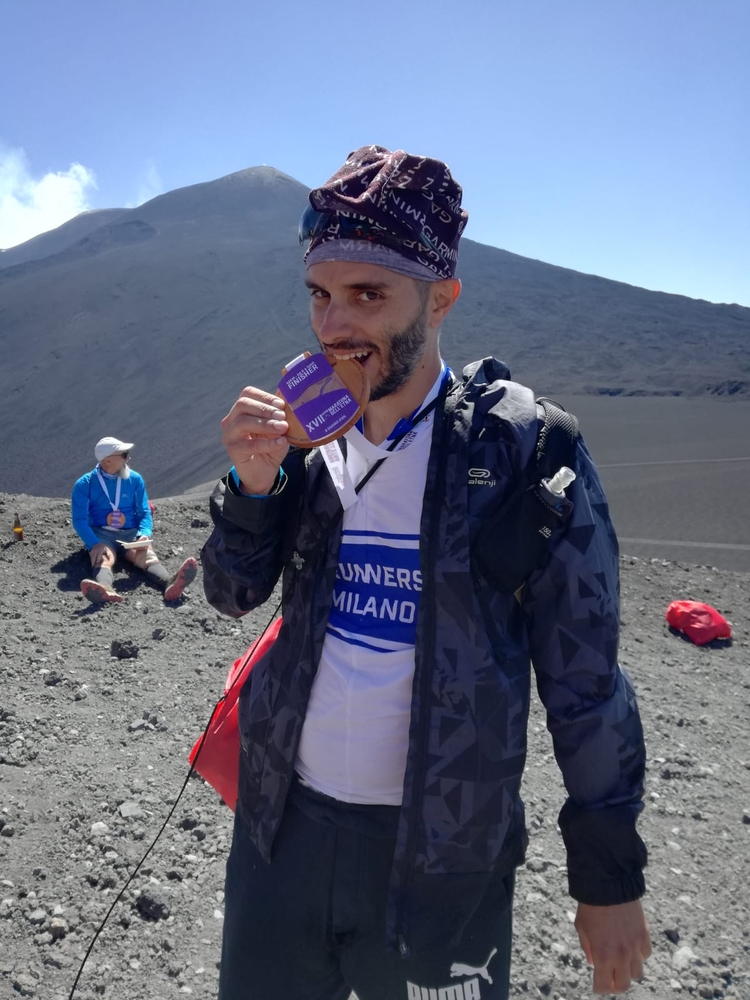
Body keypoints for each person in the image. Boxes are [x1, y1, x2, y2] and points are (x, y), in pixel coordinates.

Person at [201, 146, 651, 999]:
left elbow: (585, 677)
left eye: (369, 295)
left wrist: (610, 874)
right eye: (320, 295)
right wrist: (254, 486)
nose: (335, 324)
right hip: (280, 839)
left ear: (441, 297)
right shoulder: (311, 432)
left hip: (444, 863)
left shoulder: (519, 452)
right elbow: (231, 594)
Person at [72, 436, 198, 605]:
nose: (128, 458)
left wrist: (144, 534)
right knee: (102, 557)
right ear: (107, 460)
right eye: (124, 455)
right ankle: (104, 588)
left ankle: (170, 583)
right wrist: (94, 543)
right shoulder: (84, 484)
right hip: (101, 534)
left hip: (131, 534)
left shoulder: (135, 479)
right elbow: (79, 520)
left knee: (146, 555)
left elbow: (145, 512)